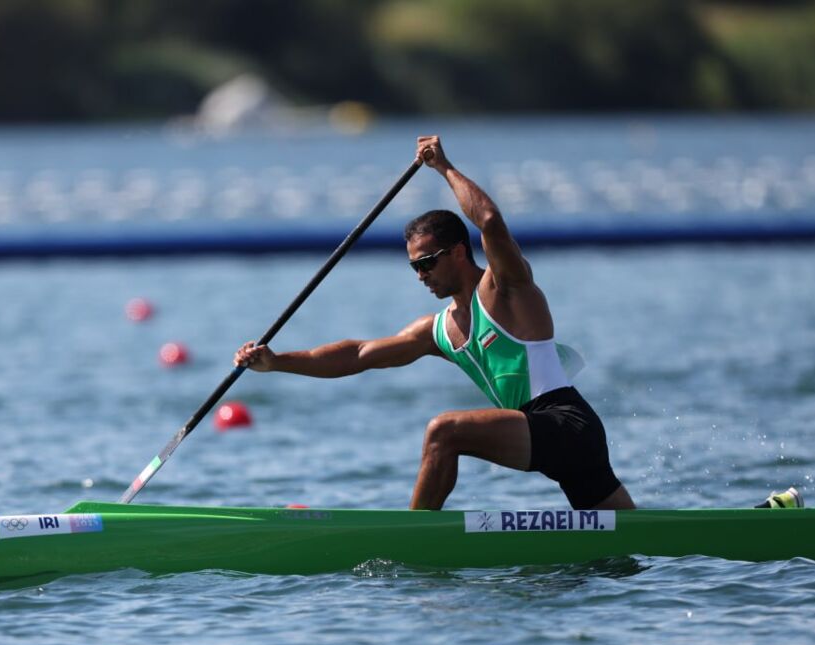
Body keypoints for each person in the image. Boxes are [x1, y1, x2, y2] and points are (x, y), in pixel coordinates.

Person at [235, 135, 635, 511]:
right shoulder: (438, 330)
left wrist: (443, 167)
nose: (420, 275)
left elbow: (491, 221)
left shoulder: (506, 287)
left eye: (427, 262)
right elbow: (358, 355)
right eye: (414, 266)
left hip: (564, 422)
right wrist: (277, 362)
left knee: (444, 431)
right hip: (542, 437)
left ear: (459, 252)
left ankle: (412, 537)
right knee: (629, 538)